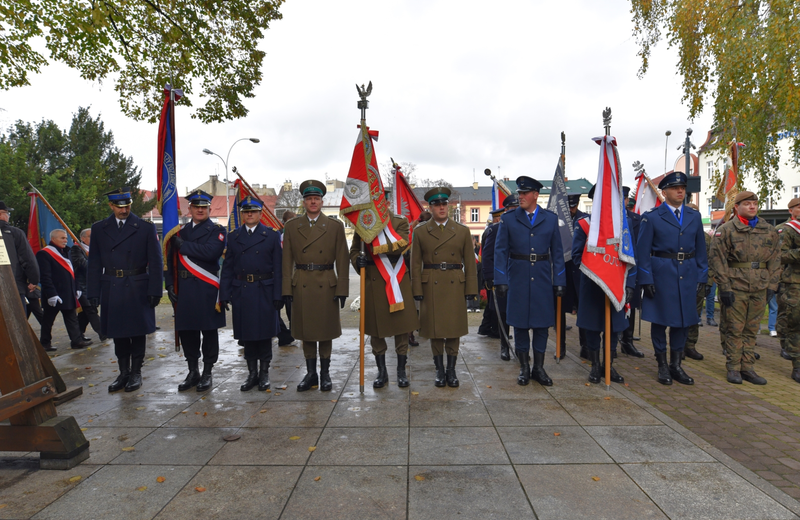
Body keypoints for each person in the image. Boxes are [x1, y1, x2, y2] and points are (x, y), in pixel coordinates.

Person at [636, 172, 708, 386]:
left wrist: (702, 276)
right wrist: (646, 279)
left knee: (683, 322)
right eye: (675, 188)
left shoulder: (693, 216)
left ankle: (676, 365)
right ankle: (662, 365)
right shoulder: (652, 217)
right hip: (662, 274)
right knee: (660, 321)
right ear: (664, 191)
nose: (680, 191)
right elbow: (643, 251)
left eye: (683, 188)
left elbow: (701, 250)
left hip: (687, 274)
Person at [88, 187, 162, 393]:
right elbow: (94, 262)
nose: (124, 210)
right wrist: (92, 292)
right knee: (118, 333)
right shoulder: (99, 228)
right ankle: (123, 372)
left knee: (137, 332)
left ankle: (136, 372)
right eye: (120, 207)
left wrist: (155, 289)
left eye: (127, 205)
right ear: (111, 206)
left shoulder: (145, 228)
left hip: (137, 285)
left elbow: (156, 261)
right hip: (112, 285)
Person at [494, 176, 566, 387]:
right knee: (520, 325)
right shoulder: (508, 219)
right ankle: (524, 367)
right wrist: (500, 278)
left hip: (543, 277)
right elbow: (500, 252)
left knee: (542, 325)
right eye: (520, 193)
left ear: (536, 195)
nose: (521, 196)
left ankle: (539, 368)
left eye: (525, 193)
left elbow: (558, 254)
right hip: (517, 276)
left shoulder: (550, 219)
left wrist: (559, 280)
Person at [282, 180, 349, 392]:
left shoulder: (335, 226)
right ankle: (311, 374)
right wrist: (286, 289)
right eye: (309, 199)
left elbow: (343, 260)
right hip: (302, 282)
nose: (313, 202)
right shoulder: (292, 226)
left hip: (326, 283)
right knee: (306, 330)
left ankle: (325, 373)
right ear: (304, 202)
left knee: (325, 331)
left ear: (322, 201)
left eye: (316, 198)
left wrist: (342, 289)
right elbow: (286, 261)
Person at [709, 191, 780, 385]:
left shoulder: (768, 229)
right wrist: (724, 287)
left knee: (752, 329)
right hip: (735, 286)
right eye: (747, 204)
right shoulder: (727, 230)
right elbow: (717, 259)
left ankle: (748, 367)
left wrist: (772, 285)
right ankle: (733, 367)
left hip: (760, 286)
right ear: (737, 207)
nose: (752, 207)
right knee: (735, 328)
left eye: (754, 204)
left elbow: (776, 259)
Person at [411, 186, 478, 387]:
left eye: (444, 204)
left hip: (454, 284)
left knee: (453, 329)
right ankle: (439, 370)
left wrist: (471, 290)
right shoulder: (421, 232)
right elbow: (415, 264)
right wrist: (417, 290)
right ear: (430, 208)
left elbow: (470, 263)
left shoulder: (462, 231)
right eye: (437, 205)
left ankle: (451, 370)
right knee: (435, 330)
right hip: (431, 283)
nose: (441, 208)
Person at [571, 185, 636, 384]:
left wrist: (630, 284)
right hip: (592, 286)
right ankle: (595, 366)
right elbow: (575, 257)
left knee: (613, 329)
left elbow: (631, 257)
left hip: (615, 286)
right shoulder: (584, 225)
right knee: (592, 329)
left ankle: (608, 366)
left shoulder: (622, 225)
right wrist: (598, 267)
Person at [165, 190, 227, 392]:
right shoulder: (178, 233)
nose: (200, 210)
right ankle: (193, 371)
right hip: (184, 288)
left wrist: (184, 246)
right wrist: (170, 284)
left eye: (204, 207)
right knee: (187, 332)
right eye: (196, 207)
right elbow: (170, 262)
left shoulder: (216, 230)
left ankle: (207, 371)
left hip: (206, 288)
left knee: (208, 332)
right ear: (189, 209)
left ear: (209, 208)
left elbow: (211, 253)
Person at [351, 212, 420, 388]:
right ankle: (382, 372)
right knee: (376, 330)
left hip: (397, 280)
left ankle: (401, 371)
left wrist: (373, 245)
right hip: (373, 280)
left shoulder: (400, 222)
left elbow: (401, 245)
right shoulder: (363, 222)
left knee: (402, 328)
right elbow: (354, 250)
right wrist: (357, 261)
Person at [221, 196, 283, 391]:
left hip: (264, 289)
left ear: (260, 213)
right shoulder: (233, 236)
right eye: (246, 212)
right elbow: (228, 267)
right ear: (242, 214)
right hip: (242, 291)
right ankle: (252, 374)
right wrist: (224, 294)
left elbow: (278, 268)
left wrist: (278, 294)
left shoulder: (272, 235)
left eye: (253, 211)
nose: (249, 214)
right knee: (247, 336)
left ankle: (264, 373)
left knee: (264, 335)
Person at [36, 229, 92, 351]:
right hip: (54, 294)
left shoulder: (67, 252)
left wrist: (76, 288)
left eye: (66, 238)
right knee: (48, 320)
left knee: (71, 318)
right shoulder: (44, 254)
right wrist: (51, 294)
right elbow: (45, 276)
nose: (65, 240)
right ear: (53, 239)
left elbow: (73, 272)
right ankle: (45, 343)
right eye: (62, 238)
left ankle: (76, 341)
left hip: (68, 292)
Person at [682, 204, 712, 361]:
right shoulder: (680, 233)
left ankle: (690, 345)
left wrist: (709, 281)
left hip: (699, 280)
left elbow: (709, 260)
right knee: (680, 314)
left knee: (695, 314)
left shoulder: (706, 237)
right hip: (683, 278)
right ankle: (679, 346)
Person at [618, 186, 645, 358]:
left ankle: (628, 342)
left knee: (631, 306)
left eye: (625, 198)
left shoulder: (637, 219)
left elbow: (641, 246)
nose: (623, 201)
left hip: (633, 268)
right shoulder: (612, 218)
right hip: (616, 268)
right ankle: (612, 340)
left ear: (628, 200)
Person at [0, 201, 40, 313]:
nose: (8, 216)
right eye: (7, 213)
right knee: (17, 321)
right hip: (13, 285)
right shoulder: (14, 233)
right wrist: (33, 279)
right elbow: (27, 258)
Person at [777, 197, 800, 383]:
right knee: (795, 322)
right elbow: (780, 255)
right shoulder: (787, 229)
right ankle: (797, 365)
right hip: (794, 283)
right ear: (791, 210)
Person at [566, 194, 590, 359]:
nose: (571, 209)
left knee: (583, 310)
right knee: (561, 306)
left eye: (573, 206)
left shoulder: (585, 219)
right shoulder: (560, 219)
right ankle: (560, 346)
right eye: (569, 206)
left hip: (581, 270)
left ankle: (586, 345)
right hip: (566, 268)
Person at [70, 228, 104, 342]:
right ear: (83, 238)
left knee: (85, 312)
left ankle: (78, 334)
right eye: (90, 236)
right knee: (91, 309)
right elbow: (83, 265)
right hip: (81, 285)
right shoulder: (76, 249)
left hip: (93, 285)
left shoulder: (95, 249)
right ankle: (103, 332)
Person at [478, 207, 505, 343]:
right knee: (494, 303)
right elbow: (488, 254)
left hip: (492, 271)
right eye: (498, 217)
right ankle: (495, 329)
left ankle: (485, 327)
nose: (500, 220)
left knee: (491, 303)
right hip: (493, 271)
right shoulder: (493, 230)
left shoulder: (489, 230)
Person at [276, 210, 296, 347]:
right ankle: (285, 334)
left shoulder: (293, 235)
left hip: (290, 275)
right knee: (277, 308)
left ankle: (291, 332)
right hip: (280, 276)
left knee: (291, 308)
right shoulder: (278, 236)